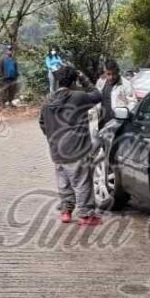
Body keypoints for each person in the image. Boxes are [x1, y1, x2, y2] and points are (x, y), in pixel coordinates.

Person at [39, 65, 103, 226]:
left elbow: (42, 122)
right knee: (82, 182)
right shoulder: (78, 97)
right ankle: (86, 214)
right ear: (74, 81)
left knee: (64, 182)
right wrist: (84, 78)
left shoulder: (48, 100)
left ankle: (66, 211)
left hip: (56, 150)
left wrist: (52, 137)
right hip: (76, 149)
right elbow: (97, 95)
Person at [95, 60, 137, 130]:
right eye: (108, 74)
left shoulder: (126, 84)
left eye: (113, 74)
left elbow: (133, 103)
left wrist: (124, 113)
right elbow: (96, 97)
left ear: (118, 71)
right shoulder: (100, 82)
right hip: (102, 123)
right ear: (105, 73)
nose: (111, 77)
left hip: (118, 124)